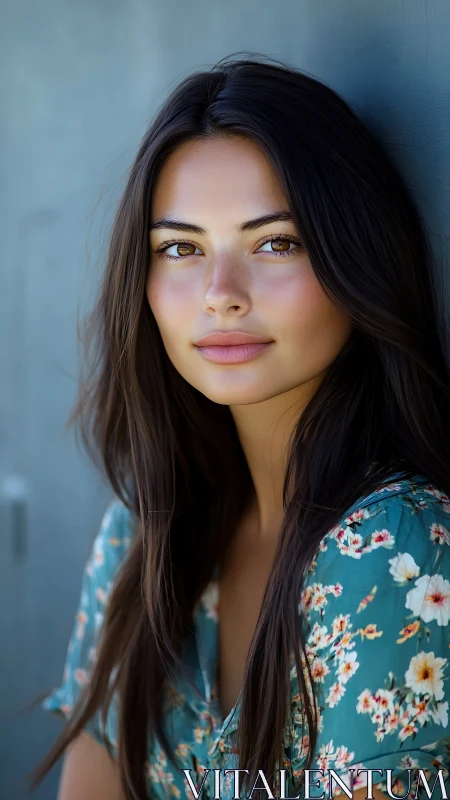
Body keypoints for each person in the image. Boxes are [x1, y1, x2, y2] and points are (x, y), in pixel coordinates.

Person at [29, 53, 450, 800]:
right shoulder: (144, 527)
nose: (220, 294)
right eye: (181, 248)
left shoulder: (395, 550)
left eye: (276, 242)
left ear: (356, 257)